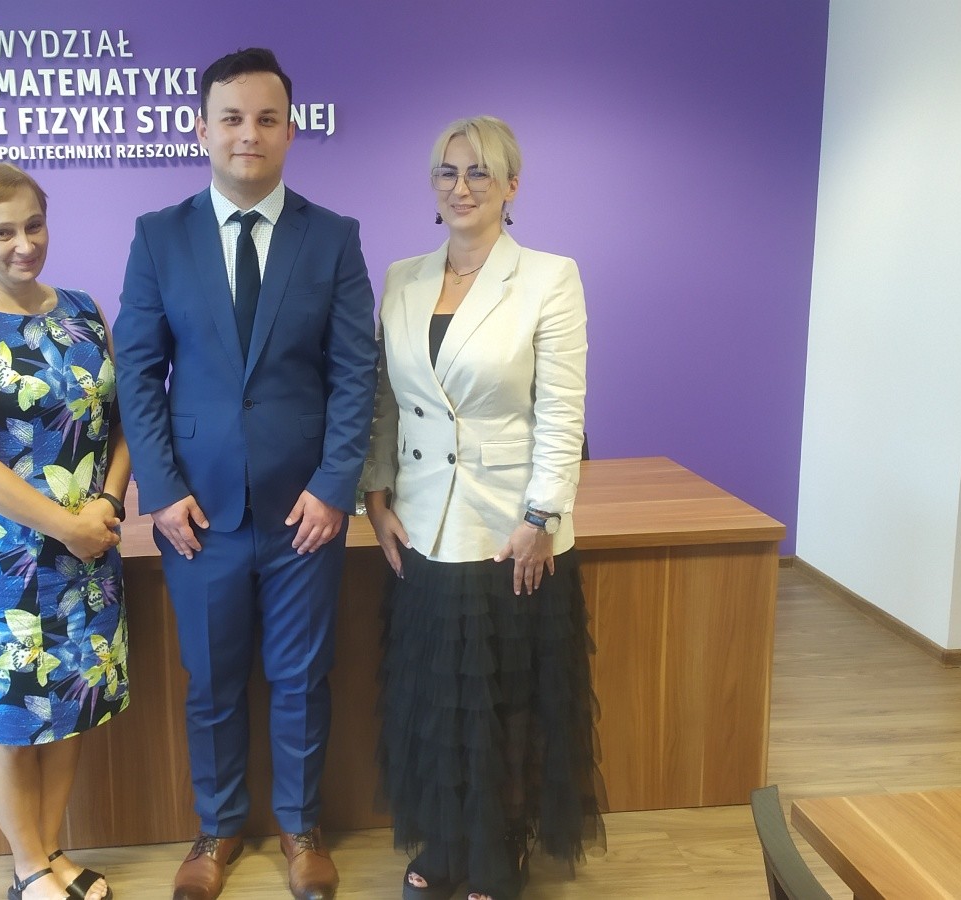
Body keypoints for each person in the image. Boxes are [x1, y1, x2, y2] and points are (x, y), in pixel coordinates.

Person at [112, 47, 376, 900]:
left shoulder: (333, 237)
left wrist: (335, 485)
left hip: (307, 512)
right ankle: (218, 828)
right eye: (231, 118)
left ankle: (301, 828)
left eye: (266, 118)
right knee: (213, 681)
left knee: (302, 678)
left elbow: (355, 374)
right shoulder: (159, 236)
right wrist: (159, 492)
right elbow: (138, 373)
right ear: (202, 129)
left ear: (291, 130)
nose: (248, 134)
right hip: (199, 513)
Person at [360, 116, 605, 900]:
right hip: (422, 526)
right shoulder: (402, 278)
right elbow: (384, 402)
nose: (461, 187)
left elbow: (562, 414)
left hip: (509, 532)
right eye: (447, 171)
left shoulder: (548, 277)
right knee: (438, 700)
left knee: (505, 702)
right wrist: (374, 495)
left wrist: (541, 519)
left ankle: (499, 850)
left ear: (510, 186)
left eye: (479, 172)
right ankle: (445, 839)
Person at [0, 162, 130, 900]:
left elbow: (123, 421)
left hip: (90, 550)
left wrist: (106, 506)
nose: (24, 244)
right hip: (9, 564)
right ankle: (28, 868)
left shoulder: (82, 310)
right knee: (14, 723)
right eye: (3, 232)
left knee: (71, 710)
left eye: (34, 225)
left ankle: (53, 853)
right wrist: (68, 527)